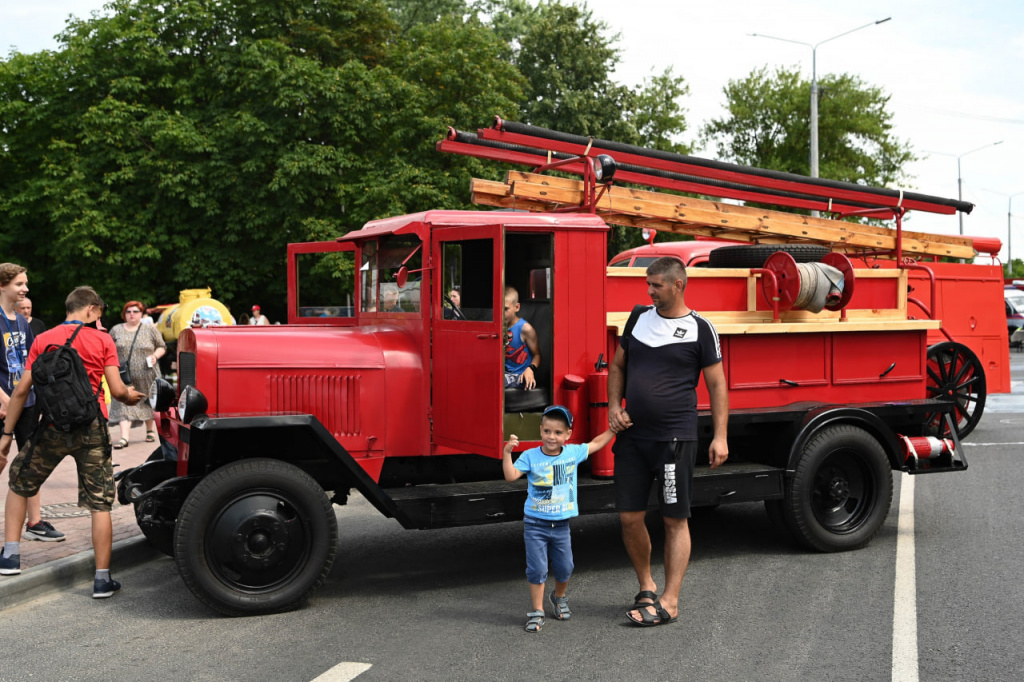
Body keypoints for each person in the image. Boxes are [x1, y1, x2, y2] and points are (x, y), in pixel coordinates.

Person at [0, 286, 146, 597]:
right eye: (99, 314)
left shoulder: (42, 339)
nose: (98, 320)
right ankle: (102, 579)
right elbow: (119, 391)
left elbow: (22, 391)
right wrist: (134, 398)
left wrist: (7, 434)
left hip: (53, 425)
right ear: (91, 308)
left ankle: (10, 556)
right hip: (91, 427)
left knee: (19, 481)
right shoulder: (102, 339)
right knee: (99, 502)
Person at [608, 256, 729, 627]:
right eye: (648, 284)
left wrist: (721, 436)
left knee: (675, 519)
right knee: (629, 517)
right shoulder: (638, 317)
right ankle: (646, 586)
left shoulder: (701, 328)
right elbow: (617, 366)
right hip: (632, 436)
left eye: (657, 285)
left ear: (677, 285)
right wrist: (614, 406)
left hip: (675, 439)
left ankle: (670, 601)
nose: (650, 291)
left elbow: (717, 385)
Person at [503, 405, 615, 633]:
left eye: (557, 433)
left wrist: (613, 429)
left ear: (567, 435)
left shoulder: (572, 453)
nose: (551, 437)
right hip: (535, 524)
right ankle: (537, 611)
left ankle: (559, 597)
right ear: (540, 430)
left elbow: (596, 444)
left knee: (566, 568)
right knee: (537, 569)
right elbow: (511, 476)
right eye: (547, 431)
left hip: (561, 525)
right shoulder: (530, 456)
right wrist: (507, 453)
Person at [0, 264, 64, 542]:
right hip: (3, 402)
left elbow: (29, 365)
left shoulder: (23, 322)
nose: (25, 288)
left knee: (30, 460)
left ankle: (35, 523)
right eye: (19, 284)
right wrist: (3, 399)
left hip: (27, 402)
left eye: (25, 283)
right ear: (2, 286)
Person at [108, 301, 167, 449]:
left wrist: (155, 355)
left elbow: (162, 346)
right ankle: (124, 437)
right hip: (124, 375)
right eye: (128, 312)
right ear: (124, 315)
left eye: (135, 311)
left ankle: (149, 430)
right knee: (123, 402)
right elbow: (108, 349)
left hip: (148, 374)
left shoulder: (150, 329)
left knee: (147, 401)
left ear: (141, 313)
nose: (132, 314)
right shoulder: (116, 330)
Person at [503, 287, 541, 389]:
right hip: (504, 373)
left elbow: (537, 355)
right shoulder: (498, 327)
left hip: (521, 376)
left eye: (506, 309)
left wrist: (530, 369)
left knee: (498, 381)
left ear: (517, 307)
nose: (502, 313)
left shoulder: (526, 329)